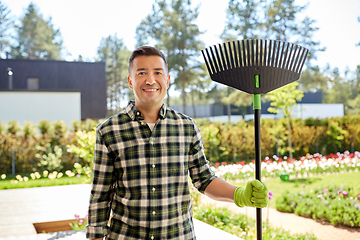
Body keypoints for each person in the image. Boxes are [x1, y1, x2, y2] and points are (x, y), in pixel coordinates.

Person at [85, 46, 269, 240]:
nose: (150, 80)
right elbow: (101, 195)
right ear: (130, 81)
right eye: (142, 73)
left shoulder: (186, 127)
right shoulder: (108, 131)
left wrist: (240, 195)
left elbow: (204, 179)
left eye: (158, 72)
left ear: (167, 80)